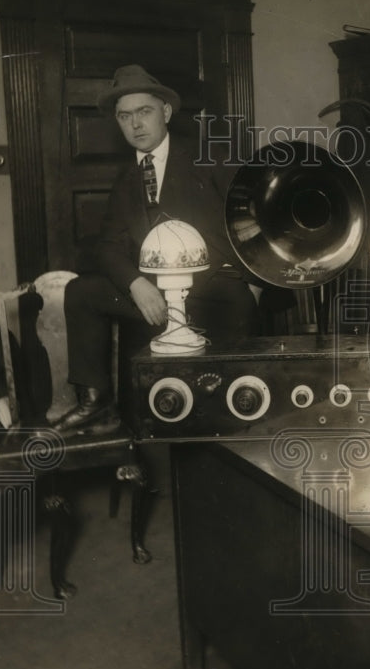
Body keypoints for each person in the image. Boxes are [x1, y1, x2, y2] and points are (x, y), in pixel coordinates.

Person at [53, 64, 259, 432]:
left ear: (165, 112)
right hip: (155, 300)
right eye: (124, 116)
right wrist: (135, 283)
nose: (135, 124)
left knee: (224, 413)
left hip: (213, 294)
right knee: (81, 291)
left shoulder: (209, 159)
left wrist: (255, 287)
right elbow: (108, 247)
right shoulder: (127, 179)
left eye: (144, 112)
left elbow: (254, 222)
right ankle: (97, 403)